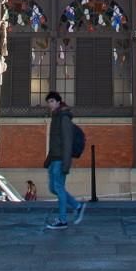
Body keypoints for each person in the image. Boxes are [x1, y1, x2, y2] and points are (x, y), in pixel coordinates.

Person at [42, 91, 84, 230]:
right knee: (53, 188)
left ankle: (62, 220)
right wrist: (48, 159)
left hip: (60, 160)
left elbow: (67, 142)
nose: (50, 104)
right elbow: (55, 142)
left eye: (52, 101)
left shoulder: (63, 118)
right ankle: (77, 206)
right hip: (54, 159)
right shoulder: (55, 117)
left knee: (58, 188)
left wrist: (66, 164)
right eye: (49, 102)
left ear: (59, 102)